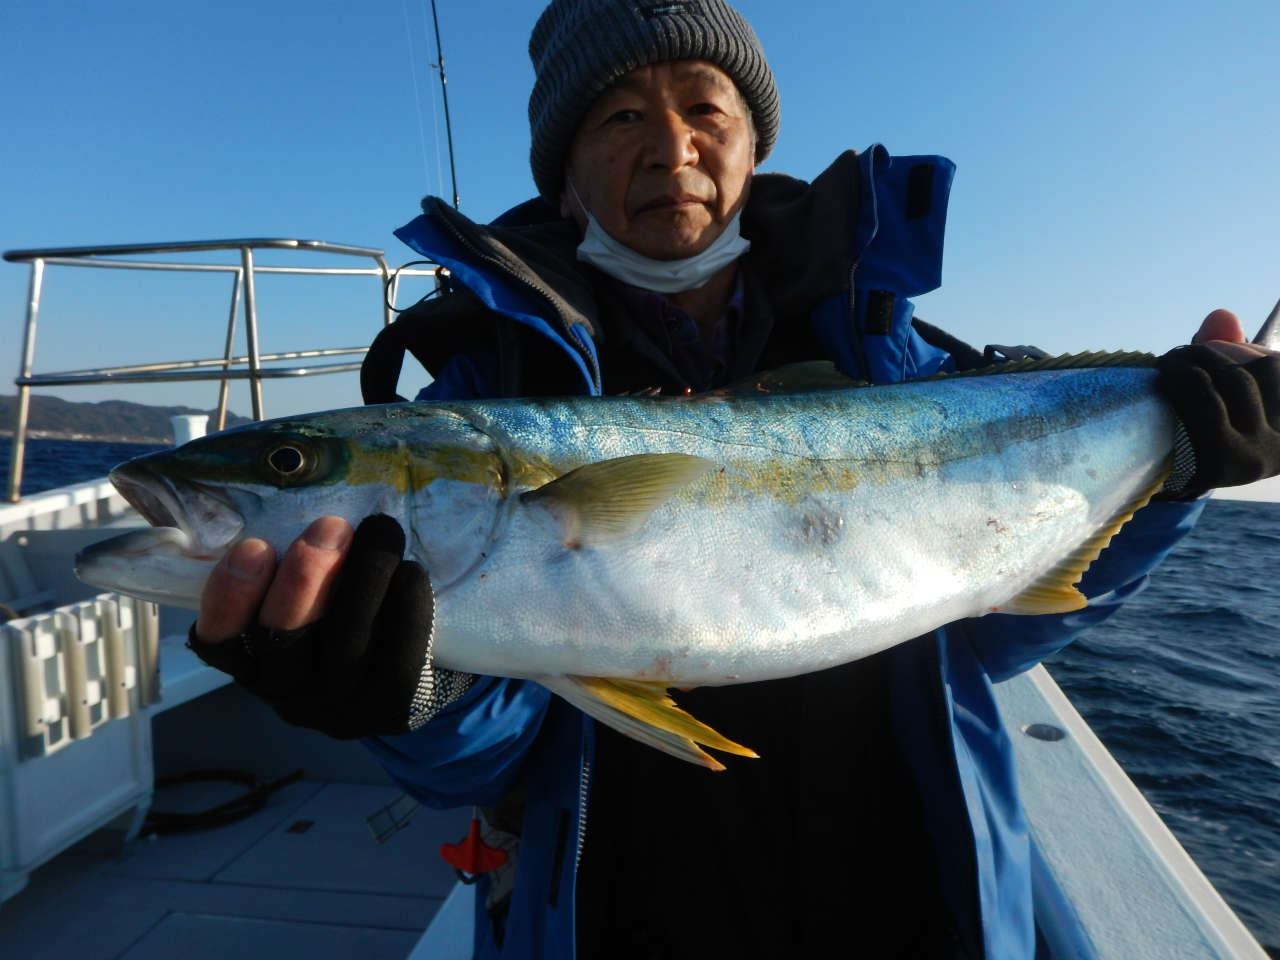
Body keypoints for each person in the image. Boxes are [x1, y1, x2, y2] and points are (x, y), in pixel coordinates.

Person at [189, 1, 1280, 957]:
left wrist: (1176, 465)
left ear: (752, 149)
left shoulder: (899, 369)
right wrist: (409, 691)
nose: (669, 146)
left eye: (703, 109)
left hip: (912, 896)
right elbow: (485, 762)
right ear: (563, 178)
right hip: (624, 913)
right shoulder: (480, 400)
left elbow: (988, 629)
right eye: (618, 117)